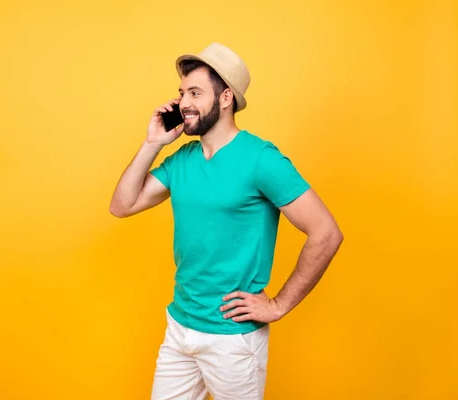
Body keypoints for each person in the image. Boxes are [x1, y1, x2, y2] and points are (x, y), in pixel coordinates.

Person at [109, 42, 344, 400]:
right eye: (182, 93)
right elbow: (122, 205)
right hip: (180, 328)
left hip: (232, 341)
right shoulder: (183, 158)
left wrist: (279, 304)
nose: (184, 102)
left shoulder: (261, 159)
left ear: (225, 98)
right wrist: (152, 142)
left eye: (195, 92)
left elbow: (326, 233)